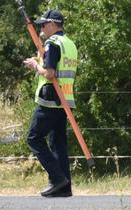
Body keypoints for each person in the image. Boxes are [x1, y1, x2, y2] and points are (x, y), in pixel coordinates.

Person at [23, 9, 78, 198]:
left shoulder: (53, 43)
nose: (42, 28)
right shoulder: (69, 44)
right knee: (58, 143)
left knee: (34, 138)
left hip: (51, 99)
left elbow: (50, 73)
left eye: (44, 25)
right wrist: (41, 60)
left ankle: (57, 178)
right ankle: (64, 187)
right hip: (65, 100)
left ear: (53, 24)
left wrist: (35, 66)